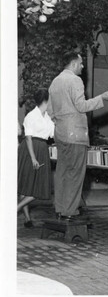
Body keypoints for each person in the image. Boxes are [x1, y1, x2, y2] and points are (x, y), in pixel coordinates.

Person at [47, 52, 108, 220]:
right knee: (76, 174)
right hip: (75, 134)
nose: (83, 66)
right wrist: (102, 98)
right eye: (81, 63)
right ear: (74, 64)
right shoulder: (75, 80)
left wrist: (61, 122)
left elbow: (49, 110)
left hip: (60, 133)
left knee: (62, 172)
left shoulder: (55, 81)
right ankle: (70, 211)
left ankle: (60, 209)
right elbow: (81, 105)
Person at [17, 89, 55, 227]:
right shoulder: (31, 116)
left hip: (42, 149)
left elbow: (52, 134)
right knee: (30, 186)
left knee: (37, 186)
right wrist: (33, 158)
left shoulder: (48, 117)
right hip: (30, 150)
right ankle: (17, 212)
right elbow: (28, 138)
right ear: (46, 101)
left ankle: (26, 218)